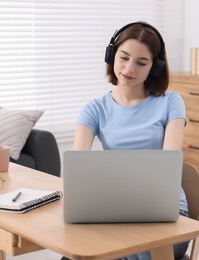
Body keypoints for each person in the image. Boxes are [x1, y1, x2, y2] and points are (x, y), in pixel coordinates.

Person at [69, 21, 189, 260]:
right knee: (76, 251)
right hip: (115, 210)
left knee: (137, 250)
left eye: (141, 63)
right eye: (123, 57)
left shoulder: (171, 103)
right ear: (111, 55)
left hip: (165, 212)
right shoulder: (93, 109)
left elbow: (169, 165)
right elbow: (77, 170)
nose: (129, 68)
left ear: (155, 67)